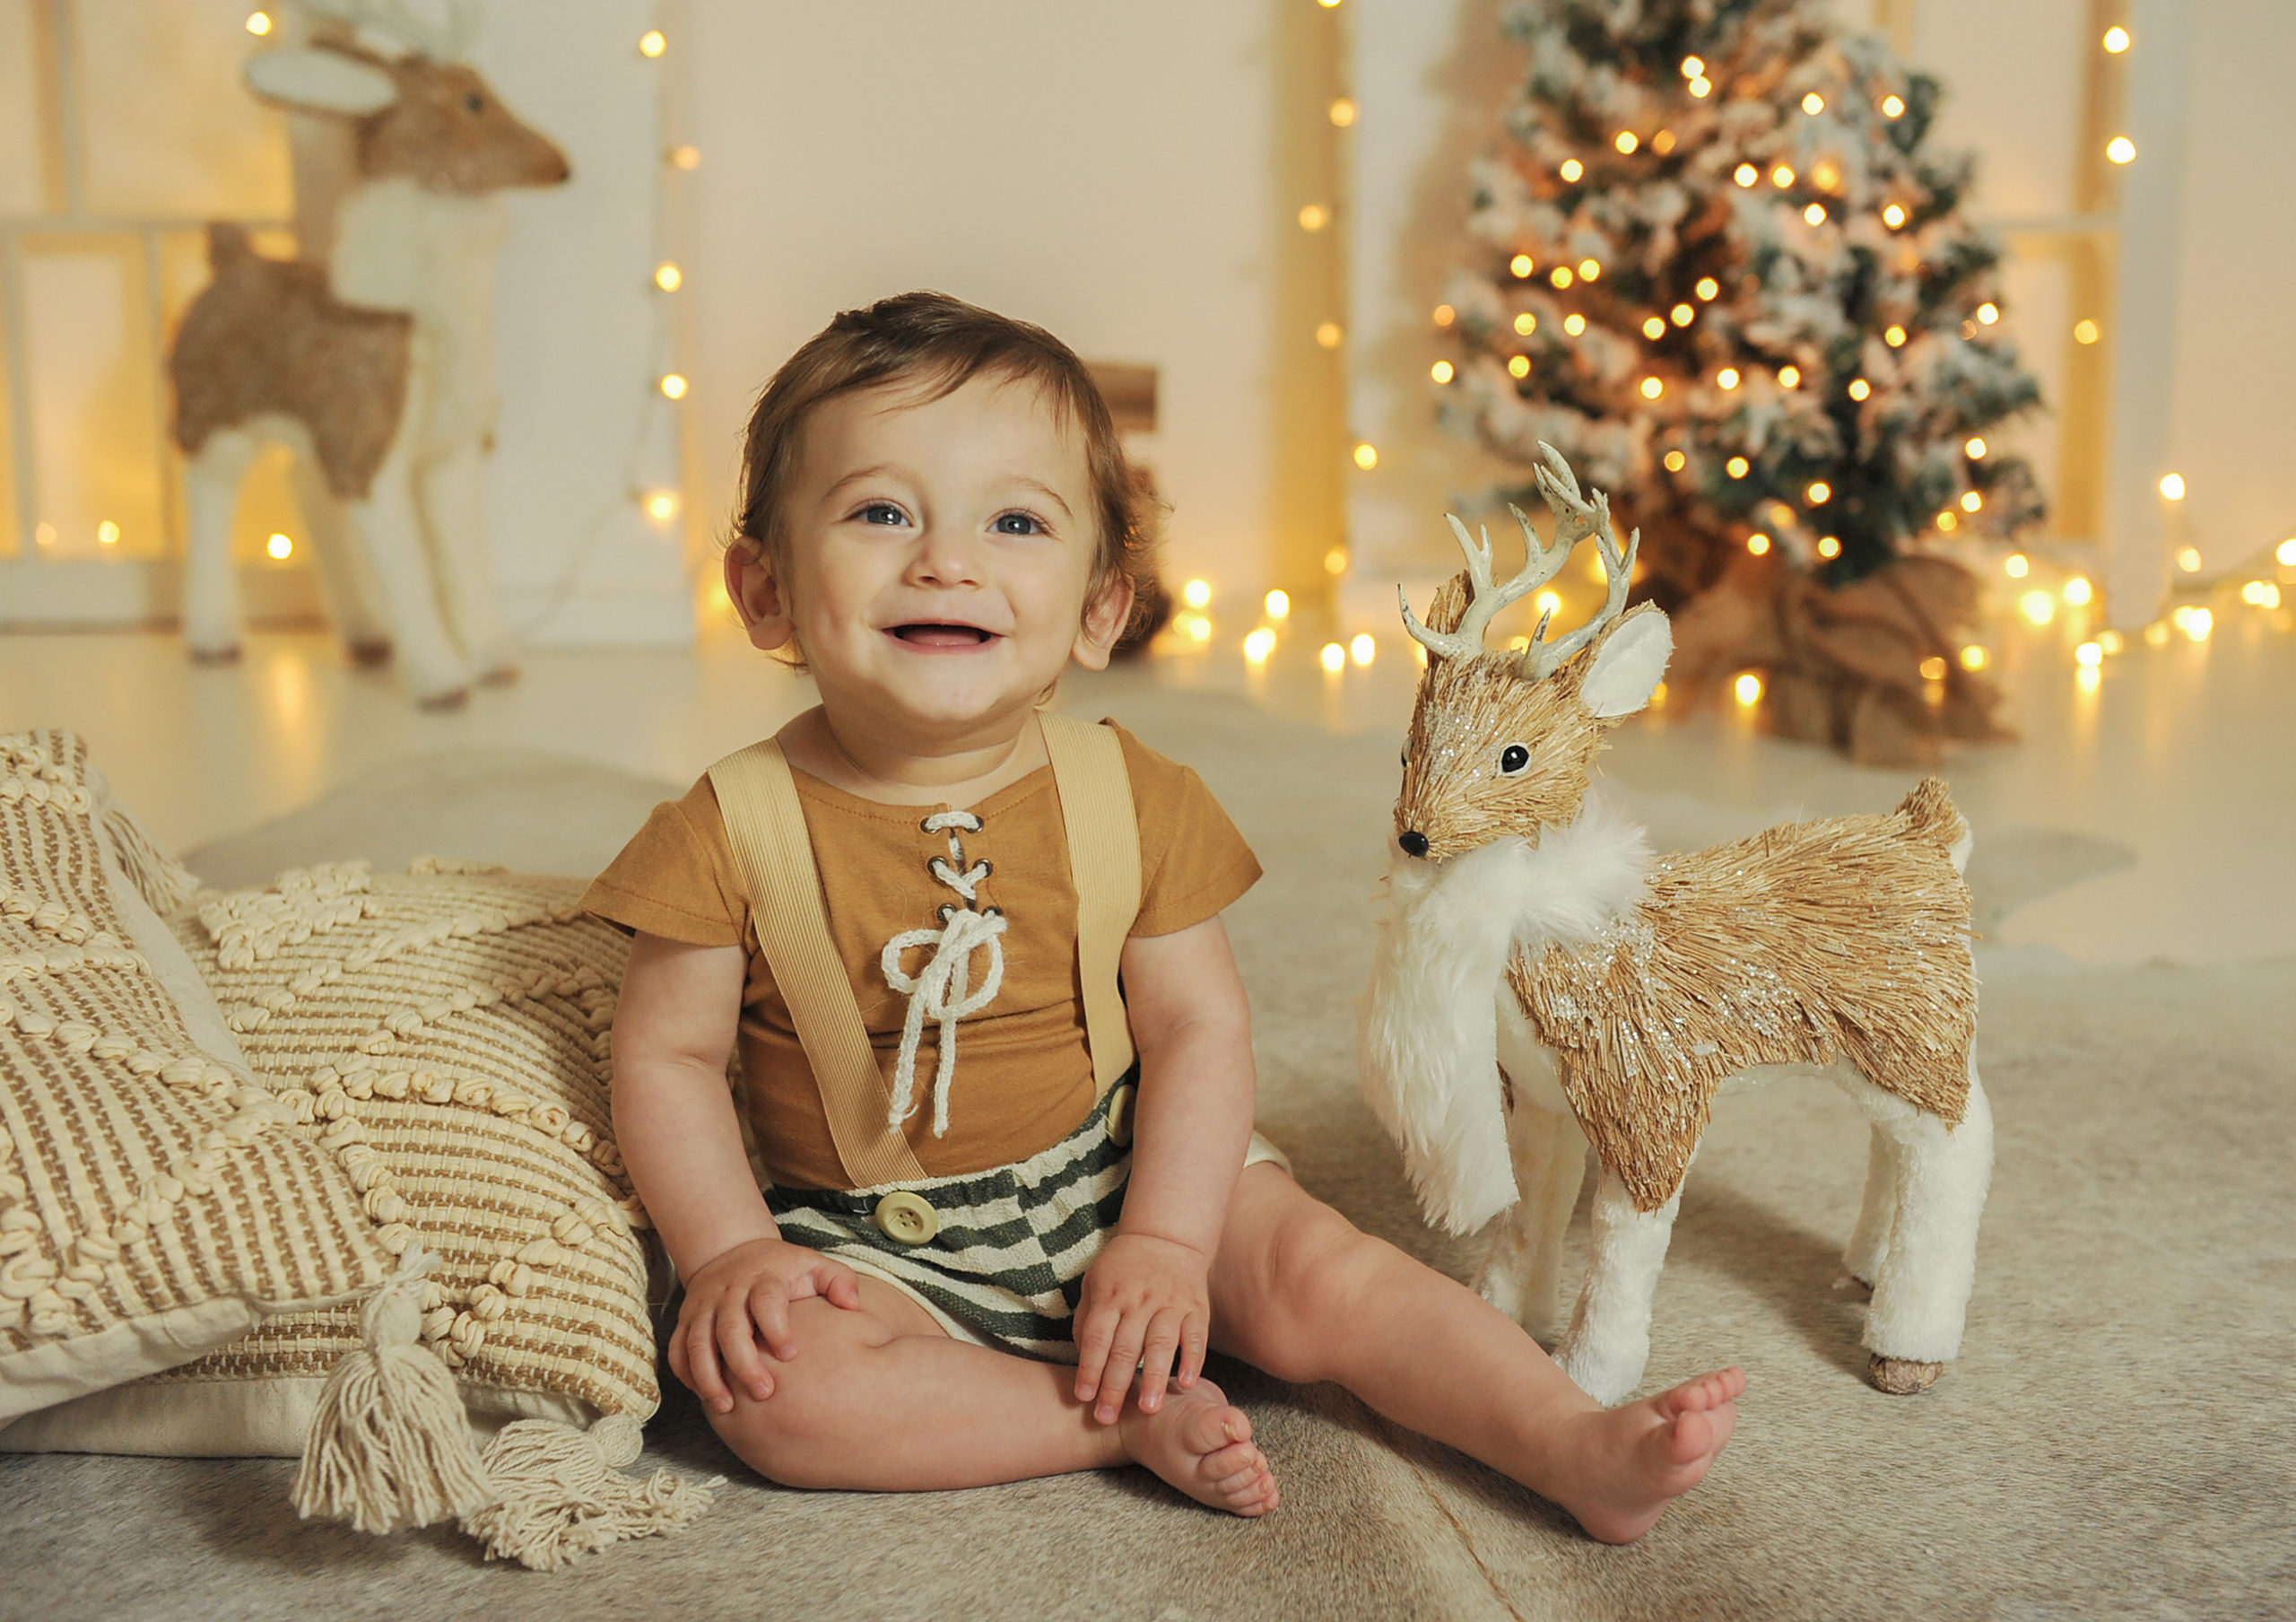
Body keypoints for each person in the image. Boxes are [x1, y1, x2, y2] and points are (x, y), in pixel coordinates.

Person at [584, 290, 1742, 1541]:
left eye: (1016, 521)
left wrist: (1172, 1244)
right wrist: (728, 1254)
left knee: (1320, 1276)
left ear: (1100, 609)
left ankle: (1566, 1441)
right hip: (884, 1242)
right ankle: (1103, 1415)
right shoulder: (727, 825)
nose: (947, 560)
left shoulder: (1130, 797)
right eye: (880, 512)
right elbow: (669, 1054)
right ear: (762, 590)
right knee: (774, 1397)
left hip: (1132, 1165)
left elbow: (1196, 1034)